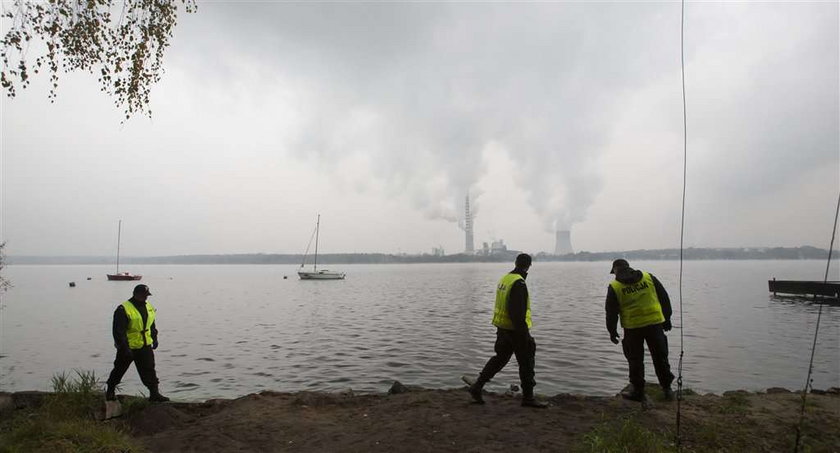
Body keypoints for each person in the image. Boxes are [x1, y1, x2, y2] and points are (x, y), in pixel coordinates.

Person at [468, 253, 548, 408]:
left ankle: (477, 387)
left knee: (500, 358)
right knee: (526, 362)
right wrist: (524, 335)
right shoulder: (519, 283)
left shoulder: (505, 279)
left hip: (502, 328)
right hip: (515, 330)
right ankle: (528, 399)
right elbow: (517, 313)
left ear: (516, 263)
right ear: (529, 265)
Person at [605, 259, 674, 402]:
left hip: (632, 328)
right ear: (629, 267)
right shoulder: (648, 277)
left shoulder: (615, 286)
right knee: (660, 357)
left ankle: (638, 391)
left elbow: (611, 312)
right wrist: (667, 318)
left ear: (616, 270)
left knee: (635, 360)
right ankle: (667, 389)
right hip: (654, 324)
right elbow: (664, 297)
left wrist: (612, 331)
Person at [105, 284, 169, 402]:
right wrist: (124, 348)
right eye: (143, 295)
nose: (145, 298)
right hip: (128, 346)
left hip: (145, 345)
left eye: (147, 295)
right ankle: (110, 391)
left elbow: (151, 324)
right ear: (136, 294)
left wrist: (154, 338)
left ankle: (154, 394)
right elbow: (118, 331)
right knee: (119, 370)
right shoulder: (123, 309)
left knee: (149, 369)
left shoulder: (149, 306)